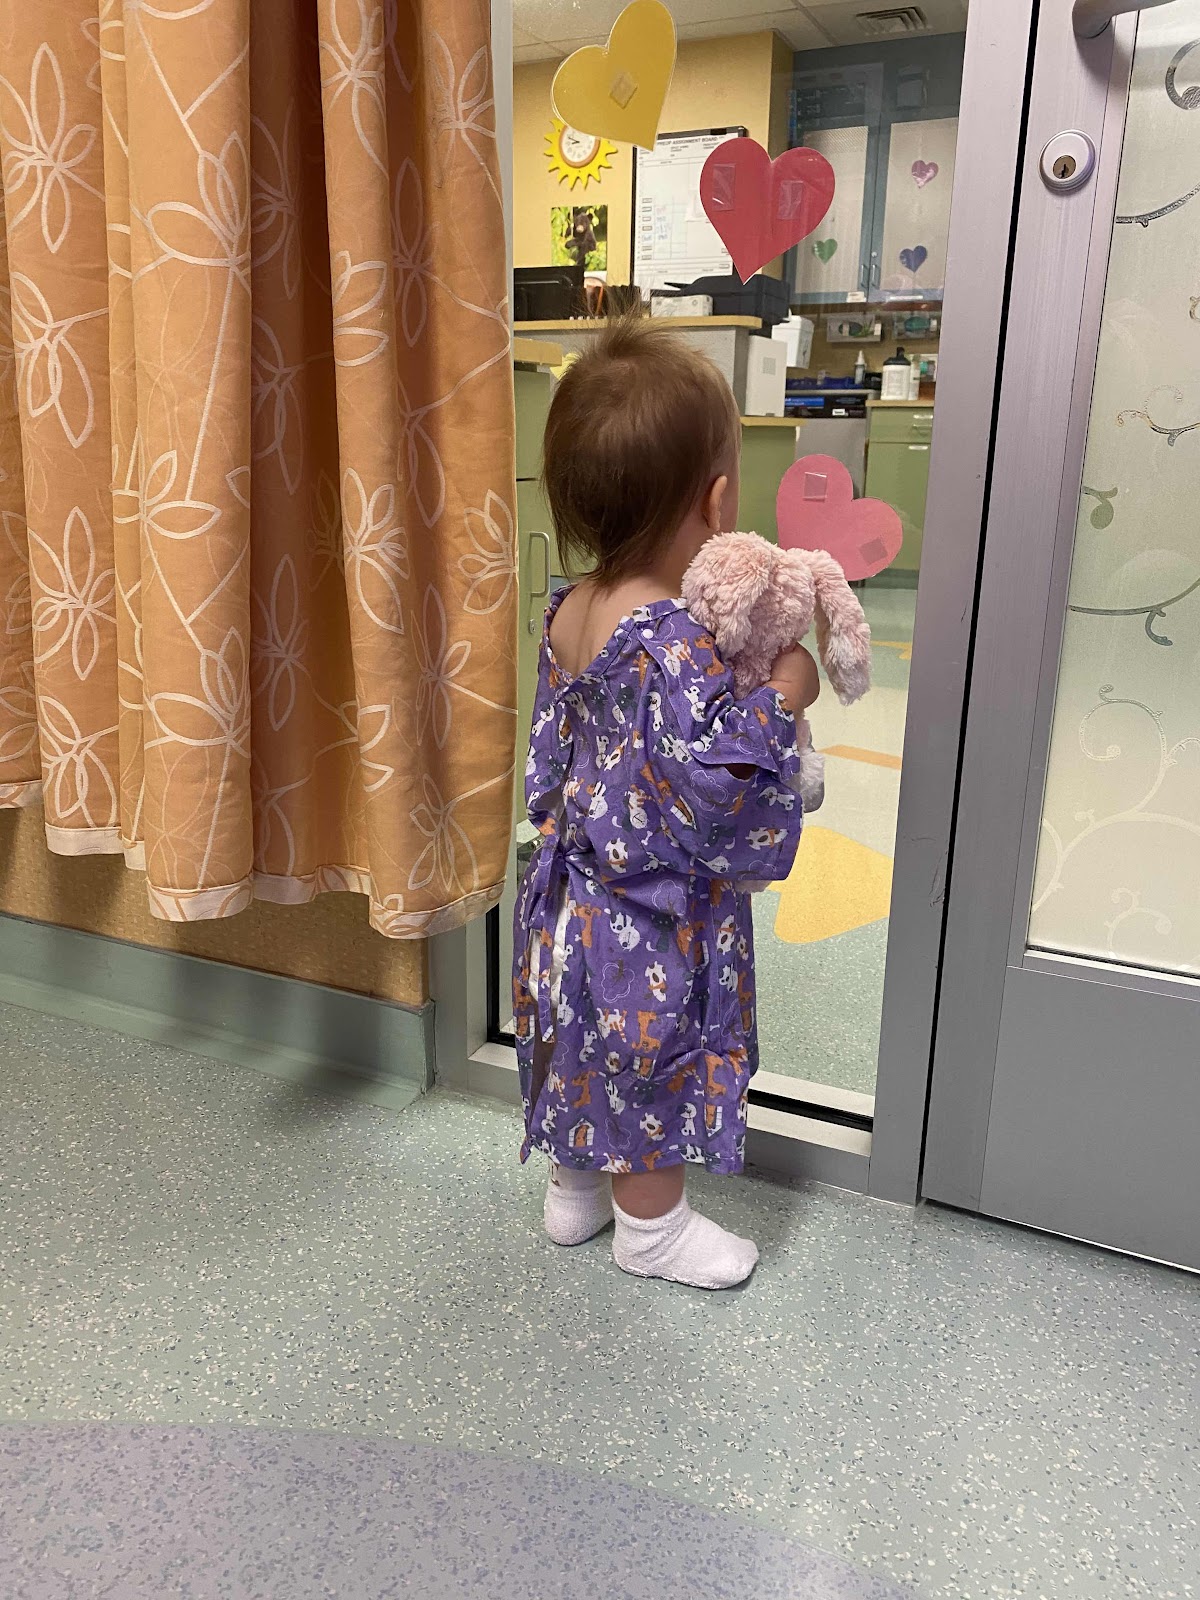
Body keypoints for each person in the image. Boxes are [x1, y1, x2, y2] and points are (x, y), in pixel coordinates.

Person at [512, 316, 819, 1289]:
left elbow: (561, 752)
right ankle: (652, 1229)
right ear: (717, 499)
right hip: (649, 914)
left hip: (572, 895)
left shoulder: (570, 609)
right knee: (651, 1058)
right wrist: (785, 695)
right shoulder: (673, 640)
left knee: (581, 1037)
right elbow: (712, 789)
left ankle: (574, 1192)